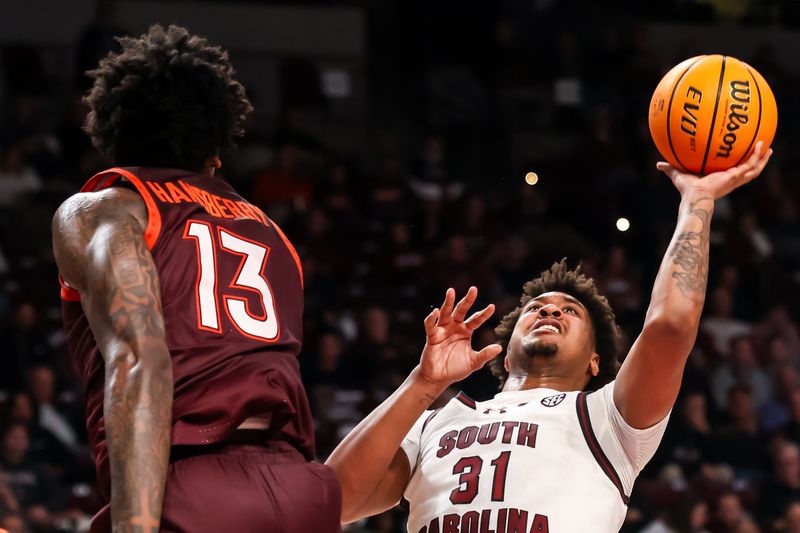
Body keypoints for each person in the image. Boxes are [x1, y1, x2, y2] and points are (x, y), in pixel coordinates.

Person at [326, 143, 772, 532]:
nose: (550, 309)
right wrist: (421, 385)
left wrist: (698, 201)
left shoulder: (609, 418)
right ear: (505, 345)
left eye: (569, 310)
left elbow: (671, 326)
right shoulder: (437, 420)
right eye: (536, 308)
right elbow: (333, 503)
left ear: (595, 361)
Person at [51, 24, 340, 532]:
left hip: (192, 487)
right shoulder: (275, 236)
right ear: (215, 155)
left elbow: (141, 358)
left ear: (112, 136)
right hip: (300, 489)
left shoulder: (111, 208)